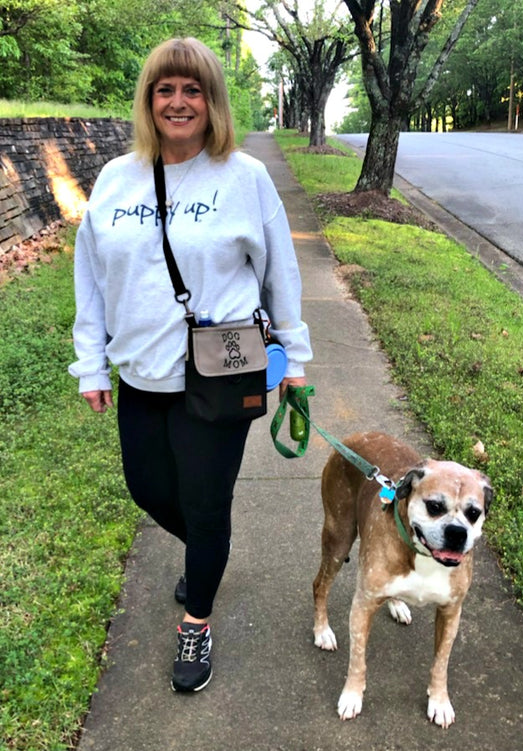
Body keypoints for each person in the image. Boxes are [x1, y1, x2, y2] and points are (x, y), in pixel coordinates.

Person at [68, 37, 312, 693]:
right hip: (139, 374)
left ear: (212, 101)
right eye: (165, 89)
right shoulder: (117, 177)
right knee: (149, 489)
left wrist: (295, 353)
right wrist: (90, 363)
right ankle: (208, 551)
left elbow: (280, 273)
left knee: (205, 506)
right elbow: (89, 275)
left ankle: (196, 616)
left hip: (217, 373)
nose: (178, 101)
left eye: (192, 89)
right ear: (149, 100)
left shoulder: (243, 177)